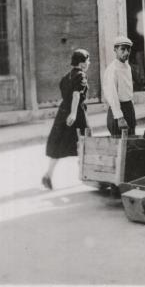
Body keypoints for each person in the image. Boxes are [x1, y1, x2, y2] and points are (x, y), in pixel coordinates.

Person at [42, 49, 91, 190]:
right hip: (76, 114)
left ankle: (48, 175)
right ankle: (84, 174)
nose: (89, 63)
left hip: (63, 113)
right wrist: (74, 114)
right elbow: (76, 95)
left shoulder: (66, 77)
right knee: (84, 143)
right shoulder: (81, 76)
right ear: (82, 63)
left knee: (59, 145)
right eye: (88, 61)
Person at [103, 36, 136, 137]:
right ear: (115, 49)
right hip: (117, 111)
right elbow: (112, 95)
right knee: (119, 145)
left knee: (132, 143)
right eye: (122, 49)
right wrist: (120, 118)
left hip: (129, 108)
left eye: (128, 49)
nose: (126, 53)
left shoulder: (127, 66)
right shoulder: (112, 69)